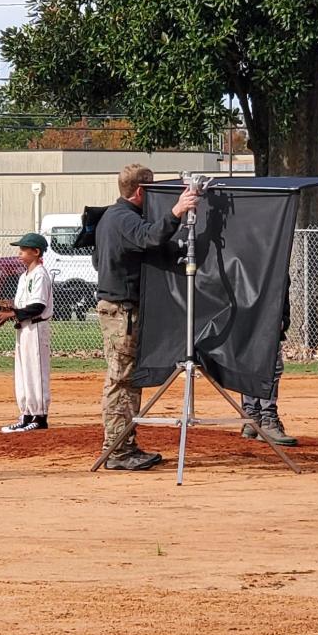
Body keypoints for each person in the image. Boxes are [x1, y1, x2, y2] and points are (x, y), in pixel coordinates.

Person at [94, 164, 197, 470]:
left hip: (118, 308)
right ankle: (117, 451)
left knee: (125, 379)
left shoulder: (111, 217)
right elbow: (150, 237)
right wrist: (176, 211)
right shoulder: (125, 219)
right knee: (122, 381)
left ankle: (123, 446)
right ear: (140, 191)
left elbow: (98, 259)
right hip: (122, 311)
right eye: (151, 190)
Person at [0, 232, 53, 434]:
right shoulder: (24, 276)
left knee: (36, 371)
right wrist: (9, 310)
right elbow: (23, 304)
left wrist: (12, 313)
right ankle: (26, 414)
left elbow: (37, 306)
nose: (19, 254)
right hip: (24, 328)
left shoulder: (40, 274)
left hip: (36, 327)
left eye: (23, 250)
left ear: (36, 252)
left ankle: (40, 416)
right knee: (23, 372)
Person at [240, 280, 296, 445]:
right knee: (270, 367)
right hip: (253, 321)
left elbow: (283, 299)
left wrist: (283, 320)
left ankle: (253, 419)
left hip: (264, 322)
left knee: (257, 365)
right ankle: (265, 421)